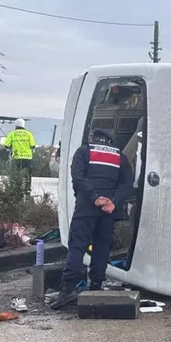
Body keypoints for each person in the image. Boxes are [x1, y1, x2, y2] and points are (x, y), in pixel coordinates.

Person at [50, 128, 133, 310]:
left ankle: (67, 291)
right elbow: (127, 183)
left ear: (93, 138)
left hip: (87, 207)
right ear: (110, 142)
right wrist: (113, 202)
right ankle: (96, 287)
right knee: (102, 248)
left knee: (77, 246)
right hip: (108, 211)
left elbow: (77, 178)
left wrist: (94, 197)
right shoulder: (120, 156)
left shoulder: (84, 151)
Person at [4, 118, 36, 194]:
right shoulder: (29, 134)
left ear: (15, 125)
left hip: (16, 157)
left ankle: (16, 187)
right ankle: (27, 188)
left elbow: (6, 145)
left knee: (16, 173)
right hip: (27, 158)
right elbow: (33, 145)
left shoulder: (12, 134)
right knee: (28, 174)